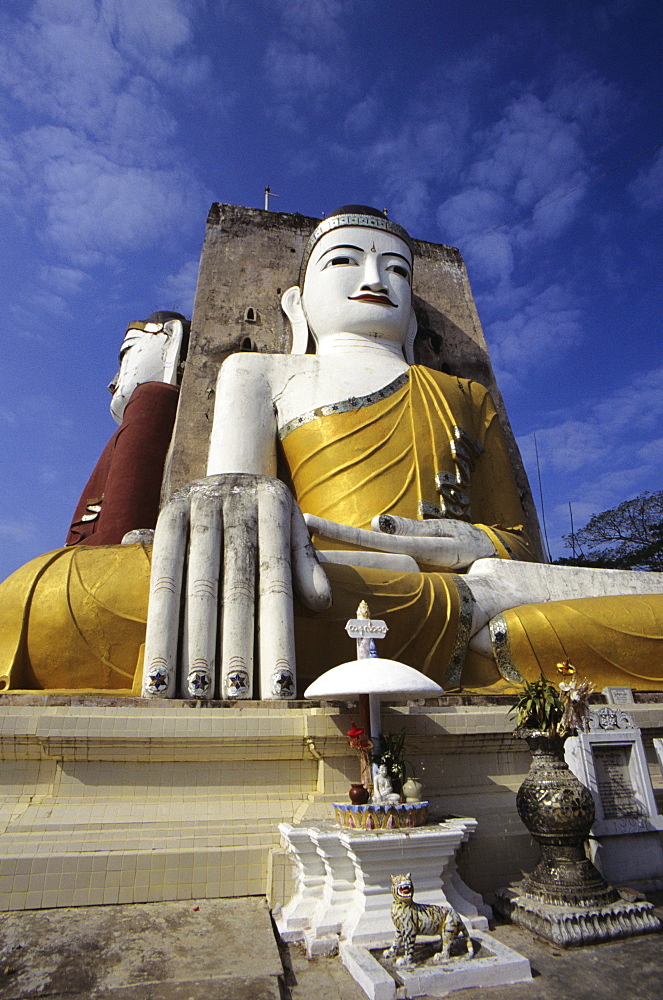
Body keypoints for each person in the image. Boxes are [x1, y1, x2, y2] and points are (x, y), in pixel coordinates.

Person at [2, 207, 663, 695]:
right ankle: (490, 650)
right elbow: (238, 525)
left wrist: (436, 544)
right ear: (298, 300)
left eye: (396, 269)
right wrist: (227, 503)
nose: (373, 277)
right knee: (53, 594)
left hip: (453, 591)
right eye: (344, 260)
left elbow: (515, 549)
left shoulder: (464, 395)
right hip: (314, 588)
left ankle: (490, 644)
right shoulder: (262, 374)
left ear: (413, 313)